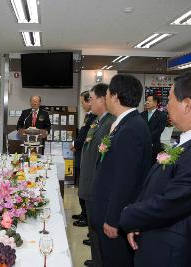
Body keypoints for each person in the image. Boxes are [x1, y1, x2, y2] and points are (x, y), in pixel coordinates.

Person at [120, 72, 191, 267]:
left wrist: (130, 214)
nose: (166, 105)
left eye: (170, 99)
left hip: (170, 251)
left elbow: (173, 201)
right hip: (155, 237)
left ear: (187, 105)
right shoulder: (183, 142)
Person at [91, 74, 152, 267]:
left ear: (115, 96)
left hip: (114, 217)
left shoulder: (131, 129)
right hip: (107, 209)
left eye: (108, 93)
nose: (106, 97)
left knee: (115, 261)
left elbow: (125, 180)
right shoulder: (125, 124)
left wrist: (113, 219)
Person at [78, 84, 115, 267]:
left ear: (102, 99)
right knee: (93, 230)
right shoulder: (98, 121)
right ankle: (96, 260)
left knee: (98, 231)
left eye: (92, 98)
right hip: (89, 184)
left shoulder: (110, 124)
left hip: (95, 188)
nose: (89, 102)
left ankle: (100, 262)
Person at [71, 91, 97, 227]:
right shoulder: (88, 116)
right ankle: (83, 213)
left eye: (82, 102)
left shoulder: (95, 117)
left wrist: (76, 144)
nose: (82, 105)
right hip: (80, 154)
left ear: (89, 101)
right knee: (81, 186)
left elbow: (87, 135)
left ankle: (86, 217)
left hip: (85, 155)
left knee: (85, 187)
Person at [140, 95, 167, 163]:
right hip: (142, 146)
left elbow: (159, 130)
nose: (147, 102)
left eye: (149, 101)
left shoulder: (162, 115)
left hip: (154, 146)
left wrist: (146, 137)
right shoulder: (141, 114)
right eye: (146, 100)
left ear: (155, 103)